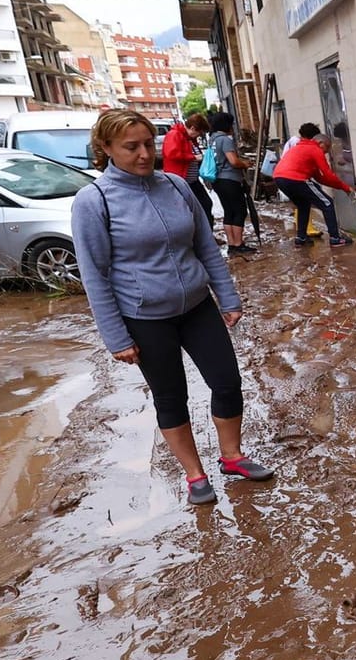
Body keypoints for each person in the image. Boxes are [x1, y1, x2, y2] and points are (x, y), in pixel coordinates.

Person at [71, 109, 275, 506]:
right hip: (145, 317)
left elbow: (205, 247)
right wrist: (117, 337)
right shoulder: (94, 202)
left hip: (197, 306)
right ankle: (195, 475)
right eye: (131, 147)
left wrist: (227, 297)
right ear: (106, 148)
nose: (145, 154)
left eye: (149, 144)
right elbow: (94, 276)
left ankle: (232, 457)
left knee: (228, 382)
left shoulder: (177, 187)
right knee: (171, 397)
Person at [273, 123, 355, 248]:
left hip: (279, 178)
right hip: (296, 178)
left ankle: (301, 238)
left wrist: (342, 187)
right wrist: (346, 188)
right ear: (320, 142)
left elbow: (320, 178)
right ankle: (335, 238)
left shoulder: (300, 148)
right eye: (327, 148)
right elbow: (327, 174)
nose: (327, 152)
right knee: (327, 203)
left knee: (303, 205)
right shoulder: (315, 149)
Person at [206, 113, 257, 254]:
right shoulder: (225, 140)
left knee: (229, 211)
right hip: (230, 180)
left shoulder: (212, 139)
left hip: (218, 181)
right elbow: (233, 161)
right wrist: (245, 164)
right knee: (240, 211)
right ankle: (239, 244)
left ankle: (232, 244)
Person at [162, 113, 212, 223]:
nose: (198, 136)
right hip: (182, 180)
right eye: (199, 133)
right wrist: (193, 157)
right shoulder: (175, 135)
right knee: (198, 206)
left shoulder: (188, 138)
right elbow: (171, 153)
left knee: (205, 205)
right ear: (193, 128)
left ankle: (206, 235)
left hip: (191, 180)